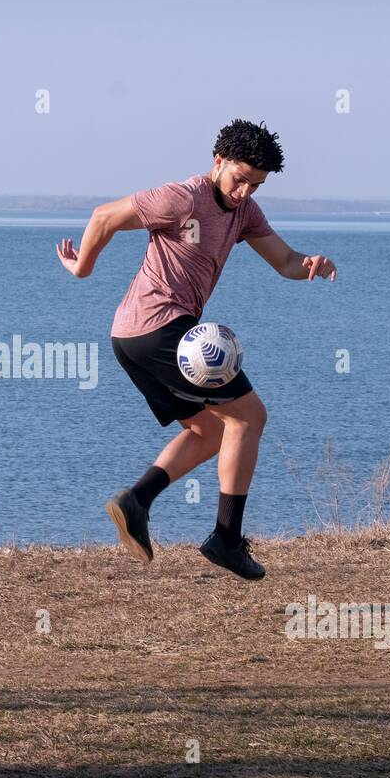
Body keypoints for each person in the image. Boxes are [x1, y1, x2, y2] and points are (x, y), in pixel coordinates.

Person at [55, 118, 336, 579]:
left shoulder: (244, 213)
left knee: (211, 431)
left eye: (256, 185)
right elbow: (104, 216)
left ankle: (135, 502)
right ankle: (227, 539)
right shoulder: (183, 198)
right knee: (249, 417)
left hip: (135, 338)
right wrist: (82, 268)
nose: (245, 191)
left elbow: (283, 261)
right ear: (218, 161)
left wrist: (309, 265)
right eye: (239, 178)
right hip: (159, 330)